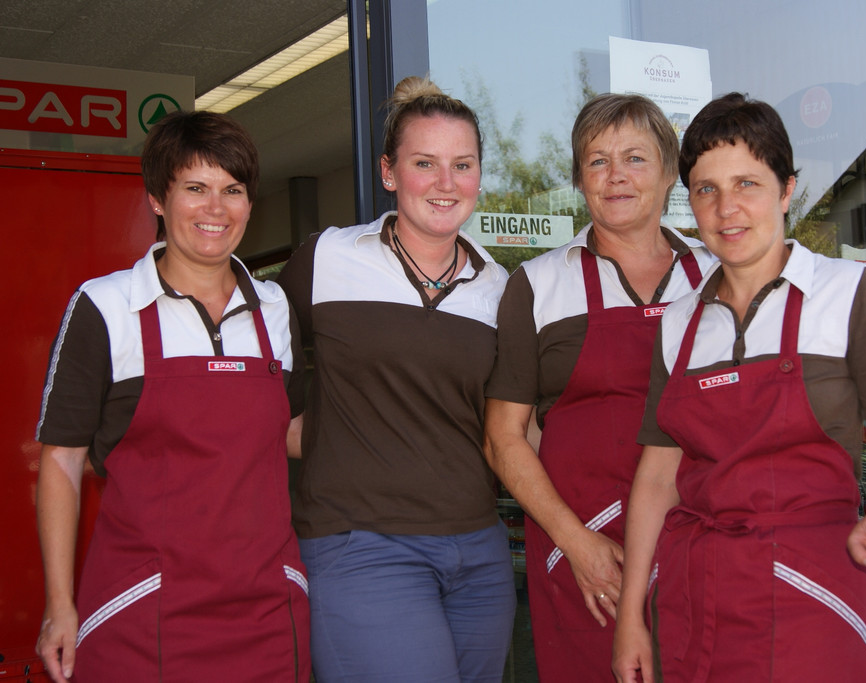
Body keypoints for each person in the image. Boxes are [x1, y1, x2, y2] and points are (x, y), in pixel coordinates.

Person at [612, 92, 866, 682]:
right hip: (693, 598)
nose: (726, 208)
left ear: (786, 190)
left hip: (809, 592)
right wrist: (632, 614)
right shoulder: (679, 323)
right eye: (706, 189)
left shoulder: (846, 293)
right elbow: (657, 479)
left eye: (747, 184)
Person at [34, 111, 310, 682]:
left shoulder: (275, 309)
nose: (216, 208)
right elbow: (61, 460)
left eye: (233, 190)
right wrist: (59, 604)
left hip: (268, 609)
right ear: (158, 199)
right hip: (142, 607)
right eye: (196, 188)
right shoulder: (106, 306)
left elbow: (291, 433)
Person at [276, 76, 514, 682]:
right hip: (361, 544)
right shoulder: (328, 259)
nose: (445, 183)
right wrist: (307, 429)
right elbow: (257, 355)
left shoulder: (500, 289)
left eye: (463, 165)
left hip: (479, 552)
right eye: (424, 163)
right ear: (389, 173)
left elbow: (510, 424)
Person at [484, 93, 715, 681]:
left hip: (703, 546)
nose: (616, 176)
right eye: (597, 161)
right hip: (587, 559)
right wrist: (578, 544)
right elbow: (504, 438)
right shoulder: (537, 285)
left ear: (669, 172)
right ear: (578, 179)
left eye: (635, 158)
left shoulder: (718, 277)